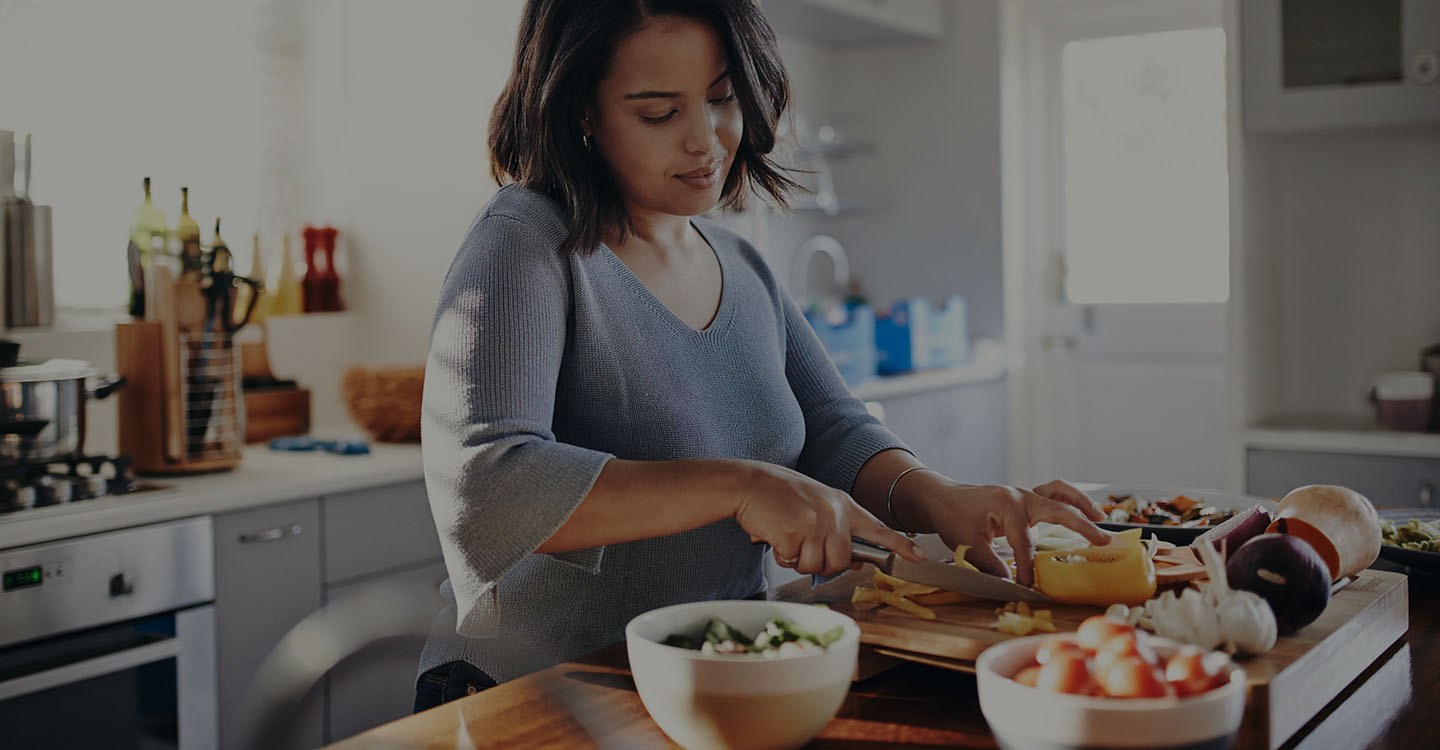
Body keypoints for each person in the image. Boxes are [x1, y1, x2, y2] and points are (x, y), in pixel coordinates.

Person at [414, 0, 1109, 712]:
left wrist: (942, 497)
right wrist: (739, 485)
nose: (706, 141)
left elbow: (836, 429)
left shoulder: (739, 260)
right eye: (659, 113)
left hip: (709, 677)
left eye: (722, 99)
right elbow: (486, 485)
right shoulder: (524, 238)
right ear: (579, 112)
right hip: (538, 689)